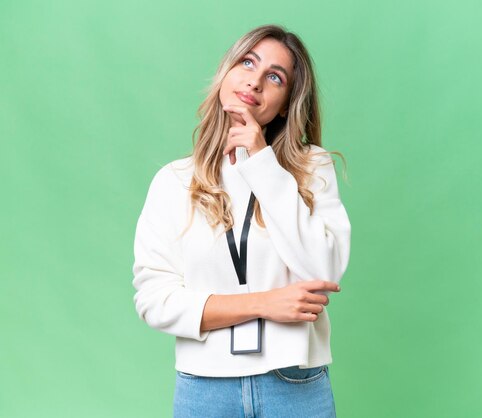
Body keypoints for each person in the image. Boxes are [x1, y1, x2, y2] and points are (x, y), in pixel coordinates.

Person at [131, 24, 351, 417]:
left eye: (275, 76)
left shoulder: (311, 169)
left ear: (285, 103)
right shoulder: (174, 181)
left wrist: (263, 162)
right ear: (226, 73)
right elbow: (155, 301)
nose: (255, 81)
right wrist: (266, 303)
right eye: (247, 62)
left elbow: (324, 270)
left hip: (295, 384)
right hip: (205, 388)